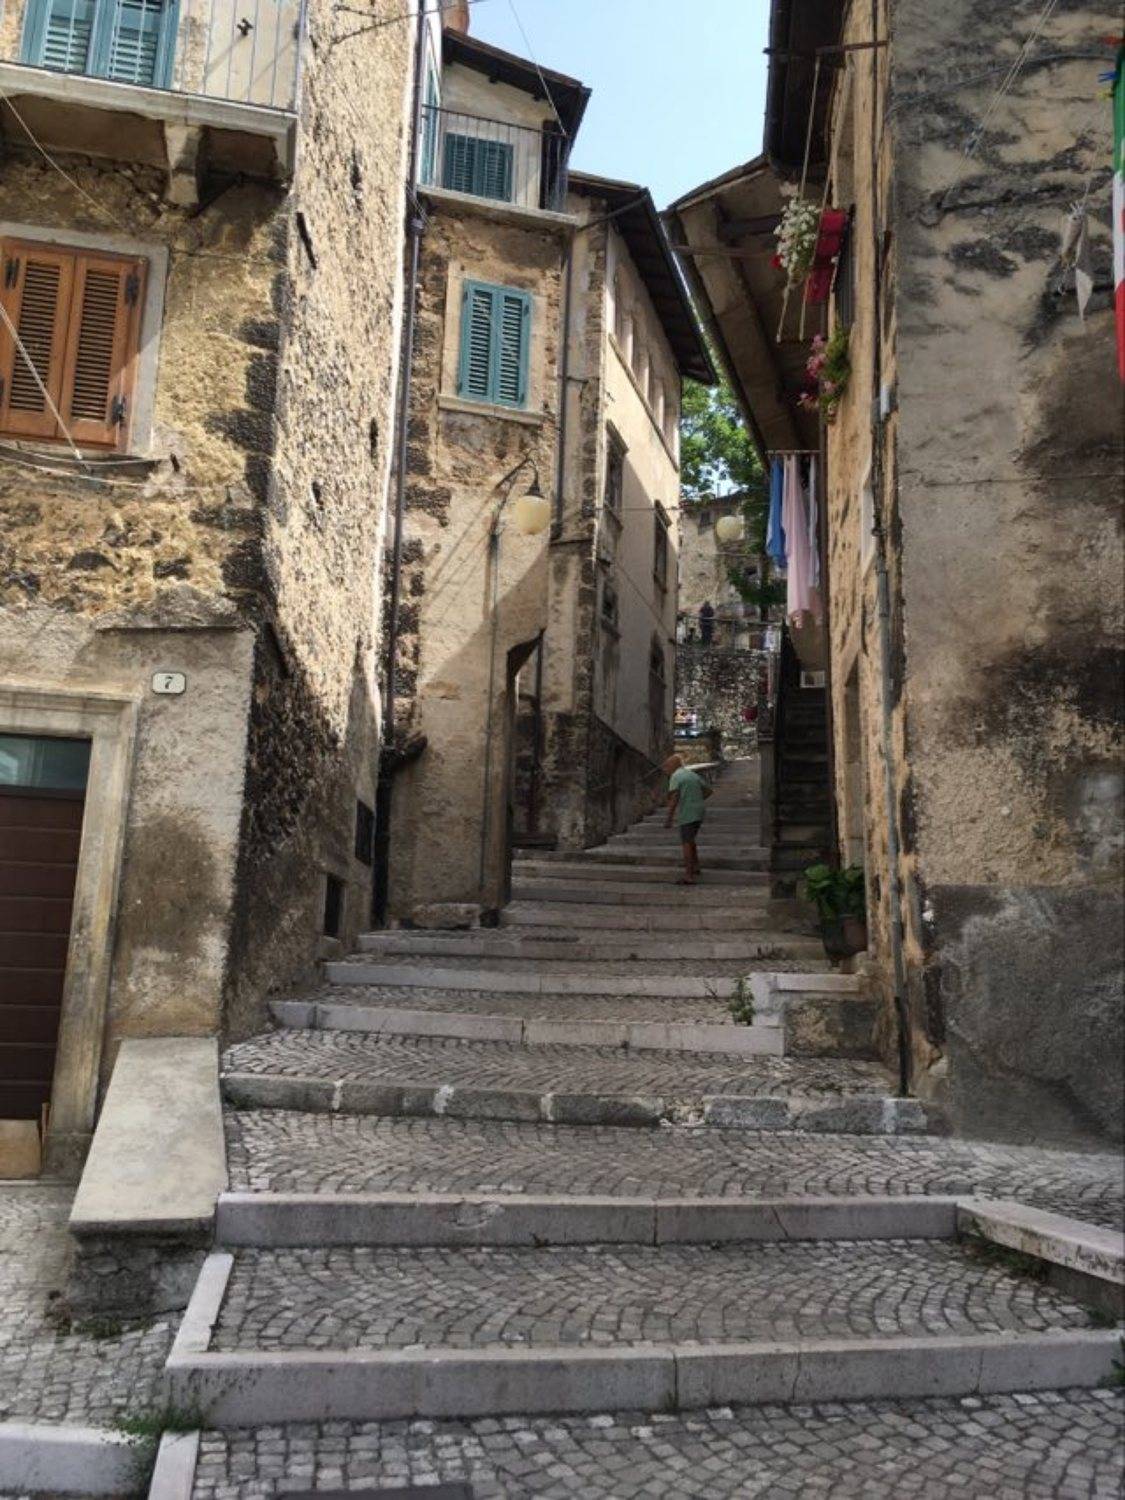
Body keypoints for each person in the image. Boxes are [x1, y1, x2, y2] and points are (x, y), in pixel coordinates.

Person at [663, 753, 712, 885]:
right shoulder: (692, 774)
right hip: (699, 811)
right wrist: (697, 799)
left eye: (667, 766)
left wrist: (669, 818)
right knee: (691, 840)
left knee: (686, 842)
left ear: (673, 765)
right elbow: (708, 791)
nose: (666, 769)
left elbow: (674, 799)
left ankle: (688, 875)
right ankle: (696, 866)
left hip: (688, 813)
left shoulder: (676, 776)